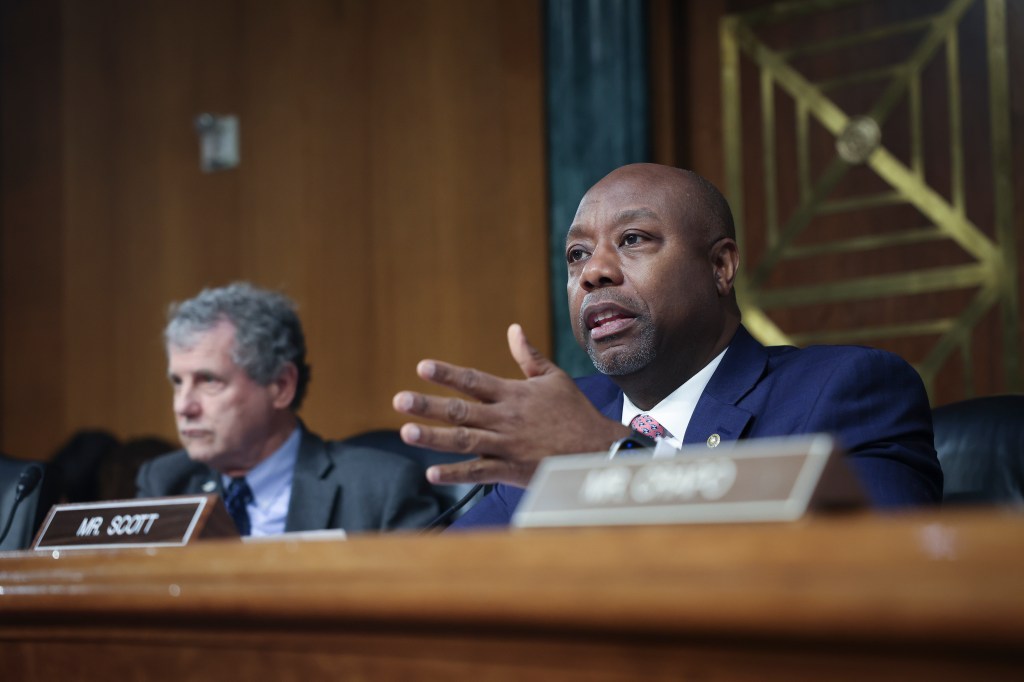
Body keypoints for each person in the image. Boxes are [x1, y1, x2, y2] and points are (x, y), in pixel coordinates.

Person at [392, 163, 942, 528]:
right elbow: (455, 586)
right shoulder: (562, 417)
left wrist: (609, 460)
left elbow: (886, 576)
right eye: (577, 255)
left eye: (633, 240)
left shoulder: (845, 390)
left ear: (721, 265)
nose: (594, 273)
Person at [137, 282, 440, 535]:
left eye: (209, 381)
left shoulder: (381, 488)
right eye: (178, 382)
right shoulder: (165, 483)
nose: (183, 406)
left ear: (281, 386)